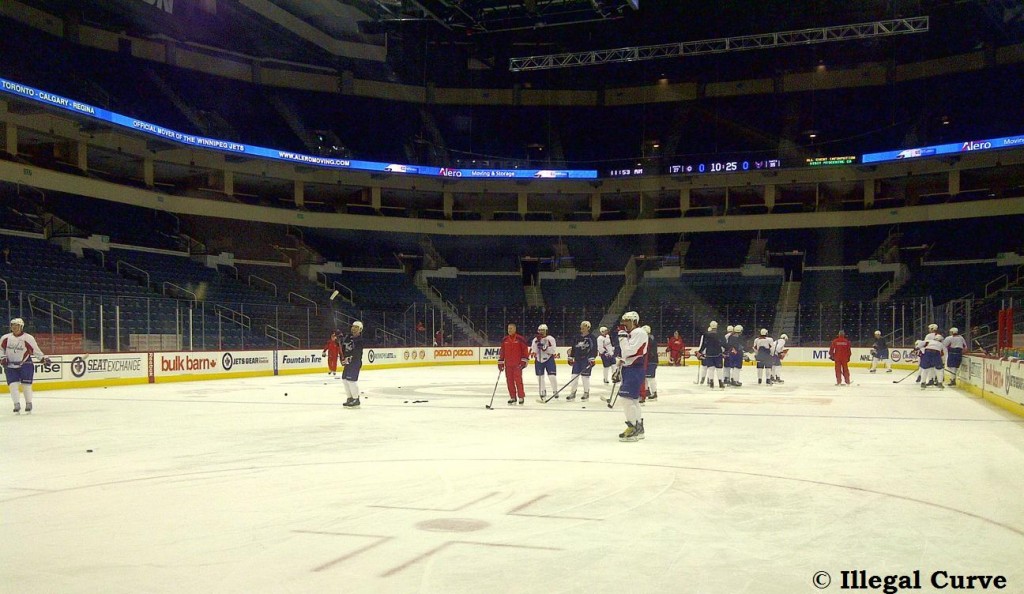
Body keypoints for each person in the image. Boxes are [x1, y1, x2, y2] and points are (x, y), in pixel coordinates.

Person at [2, 318, 50, 414]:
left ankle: (28, 403)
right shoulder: (5, 338)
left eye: (17, 325)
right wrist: (3, 358)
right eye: (13, 325)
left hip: (25, 364)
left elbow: (35, 350)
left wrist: (43, 359)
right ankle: (16, 404)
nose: (14, 327)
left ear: (21, 327)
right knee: (13, 385)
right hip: (10, 366)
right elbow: (1, 350)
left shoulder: (28, 338)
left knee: (26, 385)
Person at [614, 311, 647, 442]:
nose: (624, 323)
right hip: (630, 369)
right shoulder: (632, 333)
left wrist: (622, 337)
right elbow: (626, 354)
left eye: (628, 320)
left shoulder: (639, 332)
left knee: (626, 399)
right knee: (633, 400)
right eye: (624, 320)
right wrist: (619, 367)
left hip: (635, 369)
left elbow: (629, 351)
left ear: (634, 321)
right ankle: (638, 428)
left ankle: (632, 428)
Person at [498, 322, 529, 405]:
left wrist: (524, 361)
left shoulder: (520, 339)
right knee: (509, 381)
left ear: (515, 329)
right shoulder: (505, 339)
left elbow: (525, 350)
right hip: (508, 365)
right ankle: (513, 397)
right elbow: (502, 352)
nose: (509, 330)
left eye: (511, 328)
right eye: (508, 328)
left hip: (517, 364)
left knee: (518, 380)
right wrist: (501, 362)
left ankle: (521, 397)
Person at [566, 321, 597, 402]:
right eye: (581, 325)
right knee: (574, 377)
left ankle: (586, 392)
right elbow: (574, 348)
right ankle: (573, 392)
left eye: (584, 326)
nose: (582, 327)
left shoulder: (592, 337)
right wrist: (571, 357)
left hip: (586, 360)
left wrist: (592, 358)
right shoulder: (577, 337)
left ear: (588, 328)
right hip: (577, 360)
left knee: (585, 377)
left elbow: (594, 349)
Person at [341, 321, 366, 408]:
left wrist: (350, 358)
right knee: (344, 379)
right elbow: (343, 347)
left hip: (355, 362)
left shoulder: (360, 340)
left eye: (356, 327)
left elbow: (357, 353)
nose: (354, 328)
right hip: (347, 362)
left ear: (360, 330)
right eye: (353, 326)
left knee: (351, 381)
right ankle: (350, 398)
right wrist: (343, 358)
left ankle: (356, 399)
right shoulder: (347, 337)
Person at [532, 324, 558, 402]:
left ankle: (555, 391)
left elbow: (553, 350)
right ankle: (542, 391)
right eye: (540, 330)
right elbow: (534, 351)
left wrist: (545, 348)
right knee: (540, 377)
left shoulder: (550, 338)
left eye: (543, 330)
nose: (541, 332)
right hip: (539, 360)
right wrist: (537, 344)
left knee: (552, 376)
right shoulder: (535, 339)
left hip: (549, 359)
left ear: (546, 331)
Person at [698, 321, 724, 388]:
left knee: (710, 368)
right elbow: (723, 344)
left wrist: (699, 352)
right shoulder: (720, 334)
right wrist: (727, 350)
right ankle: (720, 382)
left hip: (709, 354)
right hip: (718, 353)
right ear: (716, 326)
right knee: (719, 369)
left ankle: (711, 382)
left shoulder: (706, 335)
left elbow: (704, 345)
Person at [641, 325, 658, 401]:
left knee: (650, 378)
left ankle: (654, 393)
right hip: (649, 361)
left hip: (651, 361)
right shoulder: (649, 338)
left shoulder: (649, 339)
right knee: (645, 378)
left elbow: (649, 352)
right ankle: (647, 391)